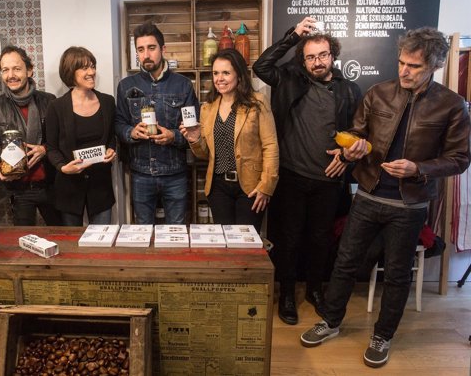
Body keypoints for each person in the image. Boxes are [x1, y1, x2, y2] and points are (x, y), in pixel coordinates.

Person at [300, 27, 471, 368]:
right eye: (401, 62)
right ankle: (331, 321)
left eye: (415, 66)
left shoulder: (452, 106)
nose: (405, 71)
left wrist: (418, 168)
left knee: (396, 273)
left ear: (435, 65)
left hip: (409, 205)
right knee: (345, 261)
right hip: (368, 194)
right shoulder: (378, 93)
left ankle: (383, 335)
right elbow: (356, 135)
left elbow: (460, 159)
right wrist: (351, 150)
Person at [253, 17, 362, 325]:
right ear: (303, 59)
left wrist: (346, 156)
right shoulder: (289, 78)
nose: (317, 62)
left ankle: (315, 291)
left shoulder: (349, 91)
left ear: (333, 55)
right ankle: (286, 295)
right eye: (310, 56)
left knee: (320, 240)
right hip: (290, 176)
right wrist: (292, 36)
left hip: (328, 181)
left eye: (322, 55)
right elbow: (261, 66)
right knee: (287, 240)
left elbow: (360, 132)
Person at [180, 48, 278, 231]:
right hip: (218, 188)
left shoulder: (257, 102)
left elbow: (270, 145)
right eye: (216, 73)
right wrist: (194, 139)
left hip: (250, 186)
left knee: (246, 243)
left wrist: (266, 186)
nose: (219, 78)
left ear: (239, 75)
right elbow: (204, 154)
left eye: (226, 72)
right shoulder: (207, 108)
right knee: (225, 243)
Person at [115, 21, 199, 224]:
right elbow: (119, 123)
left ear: (163, 49)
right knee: (142, 232)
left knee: (176, 231)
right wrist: (131, 132)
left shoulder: (183, 85)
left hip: (175, 173)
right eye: (140, 49)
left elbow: (194, 129)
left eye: (151, 48)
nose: (146, 55)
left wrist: (174, 136)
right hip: (140, 173)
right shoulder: (126, 86)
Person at [0, 45, 61, 226]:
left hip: (50, 185)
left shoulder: (50, 101)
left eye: (17, 68)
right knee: (24, 240)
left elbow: (62, 139)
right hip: (17, 188)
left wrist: (45, 149)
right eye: (5, 70)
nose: (11, 75)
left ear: (30, 70)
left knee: (61, 235)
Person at [46, 47, 117, 226]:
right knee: (72, 245)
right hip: (69, 188)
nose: (91, 72)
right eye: (84, 68)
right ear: (71, 72)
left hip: (101, 188)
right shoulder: (57, 107)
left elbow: (111, 137)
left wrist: (111, 149)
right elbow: (51, 147)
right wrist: (63, 168)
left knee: (102, 243)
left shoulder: (108, 102)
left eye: (92, 66)